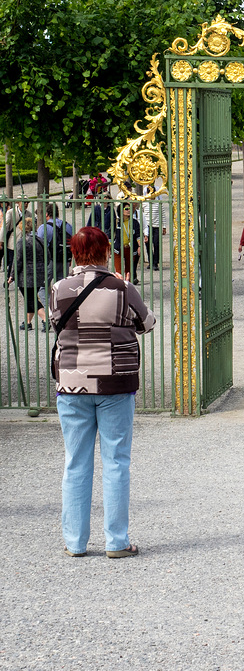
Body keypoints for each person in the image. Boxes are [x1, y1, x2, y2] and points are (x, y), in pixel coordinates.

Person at [50, 226, 156, 557]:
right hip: (115, 382)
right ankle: (116, 542)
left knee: (75, 462)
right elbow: (147, 324)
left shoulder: (59, 289)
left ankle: (75, 542)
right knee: (116, 461)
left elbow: (57, 323)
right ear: (106, 251)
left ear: (74, 253)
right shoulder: (123, 287)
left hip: (73, 382)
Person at [6, 215, 48, 330]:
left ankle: (45, 319)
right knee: (31, 297)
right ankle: (28, 322)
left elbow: (17, 261)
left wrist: (11, 276)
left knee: (31, 299)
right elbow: (48, 257)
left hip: (26, 276)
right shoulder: (40, 240)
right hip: (40, 274)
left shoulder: (22, 242)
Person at [36, 202, 73, 281]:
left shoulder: (43, 228)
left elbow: (38, 246)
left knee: (43, 286)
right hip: (64, 259)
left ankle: (47, 294)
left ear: (46, 214)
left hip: (50, 261)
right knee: (61, 285)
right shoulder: (68, 226)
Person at [112, 204, 142, 285]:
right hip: (118, 249)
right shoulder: (116, 222)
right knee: (118, 271)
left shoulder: (134, 222)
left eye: (130, 209)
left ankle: (128, 287)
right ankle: (119, 286)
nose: (129, 210)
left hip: (130, 248)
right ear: (121, 210)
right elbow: (111, 235)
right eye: (126, 208)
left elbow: (138, 235)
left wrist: (139, 246)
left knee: (129, 271)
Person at [140, 188, 166, 271]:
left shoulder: (158, 204)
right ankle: (150, 262)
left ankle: (155, 262)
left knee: (156, 244)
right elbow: (141, 215)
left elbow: (163, 215)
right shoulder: (144, 204)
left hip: (157, 226)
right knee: (148, 245)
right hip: (147, 226)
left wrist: (164, 226)